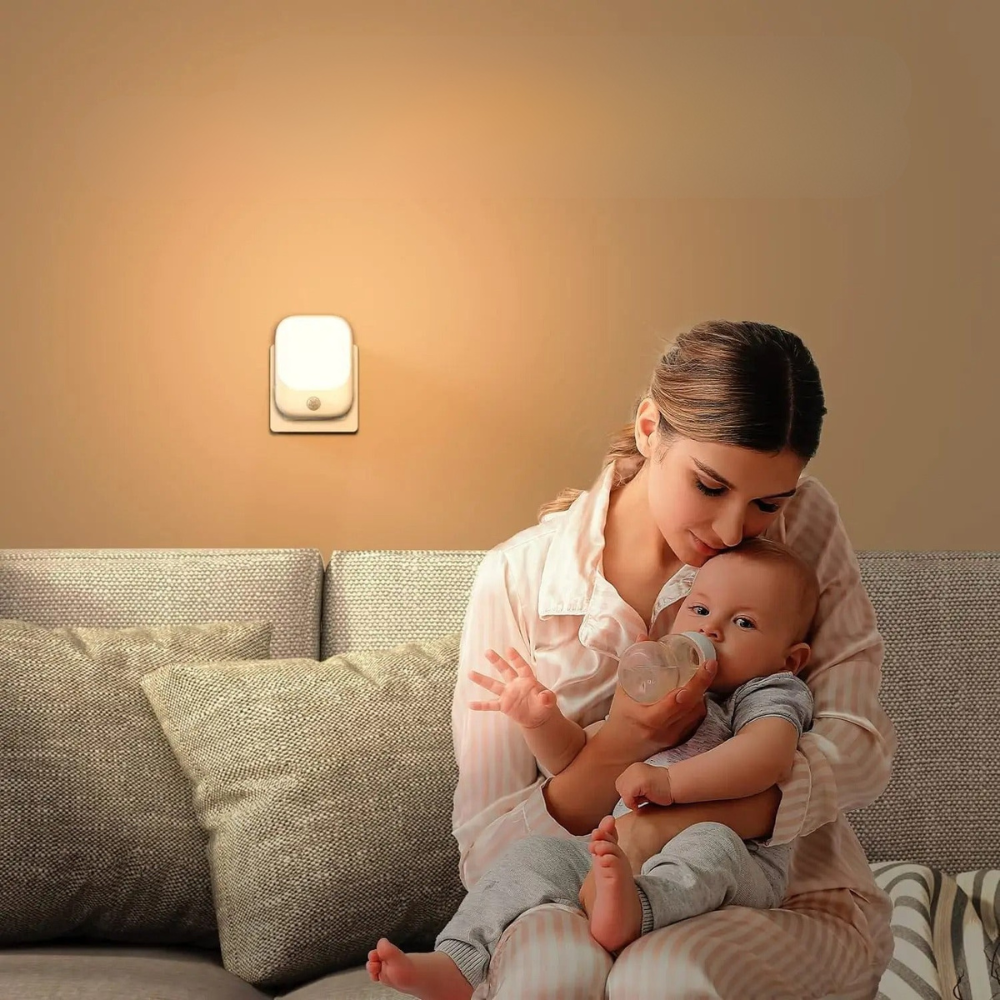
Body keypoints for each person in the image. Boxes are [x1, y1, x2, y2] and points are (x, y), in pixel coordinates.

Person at [405, 320, 895, 999]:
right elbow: (488, 851)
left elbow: (862, 748)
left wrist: (672, 820)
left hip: (781, 899)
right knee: (551, 977)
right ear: (647, 427)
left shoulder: (802, 525)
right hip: (573, 886)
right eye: (709, 486)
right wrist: (627, 742)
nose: (732, 531)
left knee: (661, 978)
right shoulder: (518, 577)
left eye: (765, 503)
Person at [367, 538, 820, 1000]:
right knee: (532, 856)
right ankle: (459, 963)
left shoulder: (767, 690)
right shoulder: (661, 688)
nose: (714, 631)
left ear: (790, 658)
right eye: (700, 611)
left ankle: (637, 908)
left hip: (739, 861)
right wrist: (540, 720)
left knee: (709, 845)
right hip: (615, 854)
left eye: (743, 622)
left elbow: (767, 756)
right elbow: (577, 757)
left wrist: (669, 782)